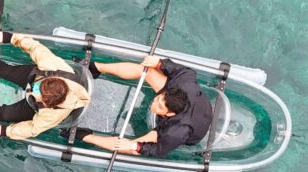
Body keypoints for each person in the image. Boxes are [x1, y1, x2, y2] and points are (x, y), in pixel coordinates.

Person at [0, 30, 91, 140]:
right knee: (5, 70)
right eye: (38, 88)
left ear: (46, 103)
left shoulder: (52, 115)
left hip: (33, 106)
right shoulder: (52, 66)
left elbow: (32, 129)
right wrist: (10, 38)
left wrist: (6, 131)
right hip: (37, 75)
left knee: (5, 114)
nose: (33, 90)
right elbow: (34, 47)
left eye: (38, 93)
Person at [60, 56, 212, 157]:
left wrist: (136, 147)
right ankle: (95, 67)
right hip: (194, 105)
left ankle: (85, 136)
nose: (154, 103)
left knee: (128, 146)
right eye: (158, 99)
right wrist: (160, 63)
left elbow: (157, 151)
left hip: (189, 129)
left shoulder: (175, 132)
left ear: (169, 114)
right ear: (169, 91)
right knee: (147, 71)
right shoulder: (184, 82)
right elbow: (186, 71)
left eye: (159, 107)